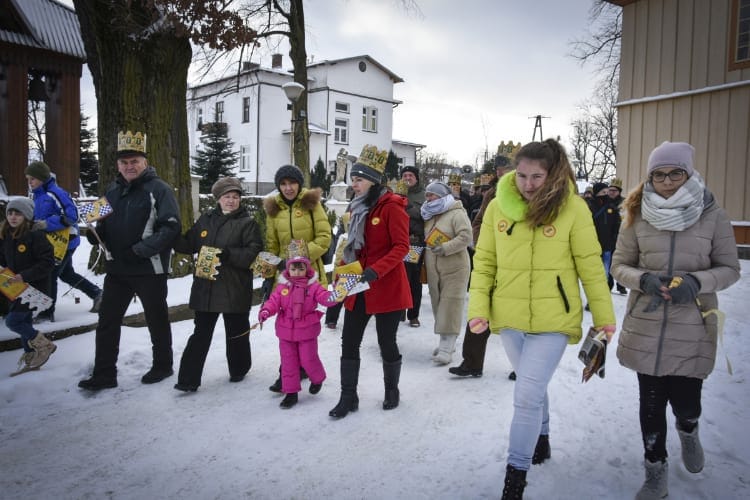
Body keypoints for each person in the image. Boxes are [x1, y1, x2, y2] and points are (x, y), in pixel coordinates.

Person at [467, 139, 615, 499]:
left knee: (526, 393)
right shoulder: (498, 208)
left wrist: (604, 317)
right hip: (510, 316)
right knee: (534, 389)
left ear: (553, 175)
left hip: (554, 318)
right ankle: (543, 435)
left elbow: (592, 268)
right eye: (521, 175)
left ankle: (514, 478)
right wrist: (478, 310)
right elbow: (485, 262)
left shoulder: (574, 209)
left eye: (537, 176)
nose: (528, 184)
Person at [610, 141, 740, 500]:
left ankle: (689, 429)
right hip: (646, 324)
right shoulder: (635, 214)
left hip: (693, 324)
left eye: (675, 173)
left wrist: (698, 283)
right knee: (650, 405)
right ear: (650, 176)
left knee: (686, 402)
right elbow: (619, 265)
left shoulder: (713, 215)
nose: (667, 181)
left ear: (689, 173)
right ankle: (655, 470)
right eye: (659, 174)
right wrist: (644, 280)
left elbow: (730, 268)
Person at [78, 130, 181, 391]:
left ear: (145, 162)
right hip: (117, 270)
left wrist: (139, 250)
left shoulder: (160, 189)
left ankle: (163, 365)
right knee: (107, 321)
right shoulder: (111, 190)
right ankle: (104, 373)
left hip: (149, 268)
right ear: (117, 165)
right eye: (124, 162)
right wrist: (96, 234)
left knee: (156, 319)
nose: (129, 166)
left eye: (134, 161)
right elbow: (99, 225)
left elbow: (170, 228)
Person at [329, 145, 411, 419]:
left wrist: (377, 270)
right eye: (353, 179)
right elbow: (351, 247)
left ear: (374, 181)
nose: (354, 184)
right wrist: (341, 275)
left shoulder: (392, 207)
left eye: (359, 179)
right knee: (349, 340)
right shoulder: (355, 208)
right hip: (358, 286)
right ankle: (348, 396)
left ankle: (392, 390)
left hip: (385, 285)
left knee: (386, 341)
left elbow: (402, 247)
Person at [172, 177, 263, 392]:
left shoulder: (248, 223)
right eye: (226, 197)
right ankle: (187, 380)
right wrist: (171, 235)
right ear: (218, 199)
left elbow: (253, 253)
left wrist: (227, 254)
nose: (231, 201)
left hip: (234, 287)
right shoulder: (206, 220)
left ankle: (239, 369)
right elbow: (189, 243)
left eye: (235, 197)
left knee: (237, 332)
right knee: (200, 334)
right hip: (206, 288)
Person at [262, 164, 332, 392]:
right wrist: (269, 272)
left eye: (292, 183)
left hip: (309, 277)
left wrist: (300, 258)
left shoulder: (311, 203)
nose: (288, 188)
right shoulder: (273, 209)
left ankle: (307, 369)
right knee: (288, 326)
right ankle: (288, 372)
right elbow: (271, 244)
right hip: (285, 279)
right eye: (283, 184)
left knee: (305, 327)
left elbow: (324, 237)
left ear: (299, 184)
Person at [449, 155, 513, 378]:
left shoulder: (534, 195)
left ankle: (524, 366)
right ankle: (472, 363)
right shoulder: (492, 195)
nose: (500, 173)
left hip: (520, 267)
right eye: (499, 170)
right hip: (491, 263)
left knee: (521, 317)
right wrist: (485, 244)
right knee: (479, 310)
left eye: (506, 169)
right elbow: (478, 223)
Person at [258, 243, 341, 409]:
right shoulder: (282, 287)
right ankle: (291, 393)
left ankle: (317, 378)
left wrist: (337, 293)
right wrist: (266, 311)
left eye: (300, 269)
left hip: (307, 331)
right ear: (288, 270)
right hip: (286, 331)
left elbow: (325, 298)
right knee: (288, 362)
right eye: (293, 269)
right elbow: (273, 302)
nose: (297, 272)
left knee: (308, 359)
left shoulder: (314, 286)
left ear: (307, 269)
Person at [25, 161, 103, 322]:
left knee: (50, 273)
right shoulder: (37, 195)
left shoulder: (56, 192)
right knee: (67, 274)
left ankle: (46, 313)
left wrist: (47, 224)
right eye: (28, 179)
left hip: (65, 241)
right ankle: (98, 294)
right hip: (51, 242)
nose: (29, 182)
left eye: (32, 179)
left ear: (41, 178)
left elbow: (72, 215)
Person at [0, 198, 57, 372]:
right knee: (24, 321)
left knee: (13, 322)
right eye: (10, 213)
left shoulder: (35, 235)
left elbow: (47, 263)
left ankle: (44, 345)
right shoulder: (6, 235)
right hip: (15, 287)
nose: (13, 217)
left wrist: (24, 275)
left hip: (35, 289)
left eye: (18, 213)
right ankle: (31, 357)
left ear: (26, 216)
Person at [421, 181, 472, 364]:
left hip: (455, 267)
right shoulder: (429, 214)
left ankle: (446, 348)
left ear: (442, 196)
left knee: (450, 306)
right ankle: (446, 342)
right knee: (438, 305)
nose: (428, 198)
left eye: (432, 195)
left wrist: (446, 248)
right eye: (427, 195)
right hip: (434, 268)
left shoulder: (457, 213)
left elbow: (466, 236)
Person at [399, 165, 425, 327]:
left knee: (413, 279)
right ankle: (399, 311)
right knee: (399, 278)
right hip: (396, 243)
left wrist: (407, 205)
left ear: (416, 178)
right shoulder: (397, 192)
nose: (407, 178)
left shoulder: (423, 194)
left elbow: (424, 214)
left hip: (413, 243)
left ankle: (413, 314)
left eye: (410, 175)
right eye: (405, 175)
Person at [587, 181, 620, 293]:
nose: (606, 194)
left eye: (607, 191)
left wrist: (613, 242)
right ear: (596, 193)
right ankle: (592, 297)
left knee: (604, 274)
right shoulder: (589, 207)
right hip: (591, 247)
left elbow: (617, 226)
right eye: (603, 192)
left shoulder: (612, 208)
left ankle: (601, 296)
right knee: (592, 275)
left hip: (607, 247)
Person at [607, 178, 627, 295]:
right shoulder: (606, 202)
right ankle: (609, 284)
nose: (611, 192)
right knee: (609, 262)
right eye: (610, 190)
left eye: (614, 190)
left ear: (619, 191)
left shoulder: (624, 203)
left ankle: (621, 285)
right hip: (608, 237)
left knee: (621, 263)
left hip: (621, 237)